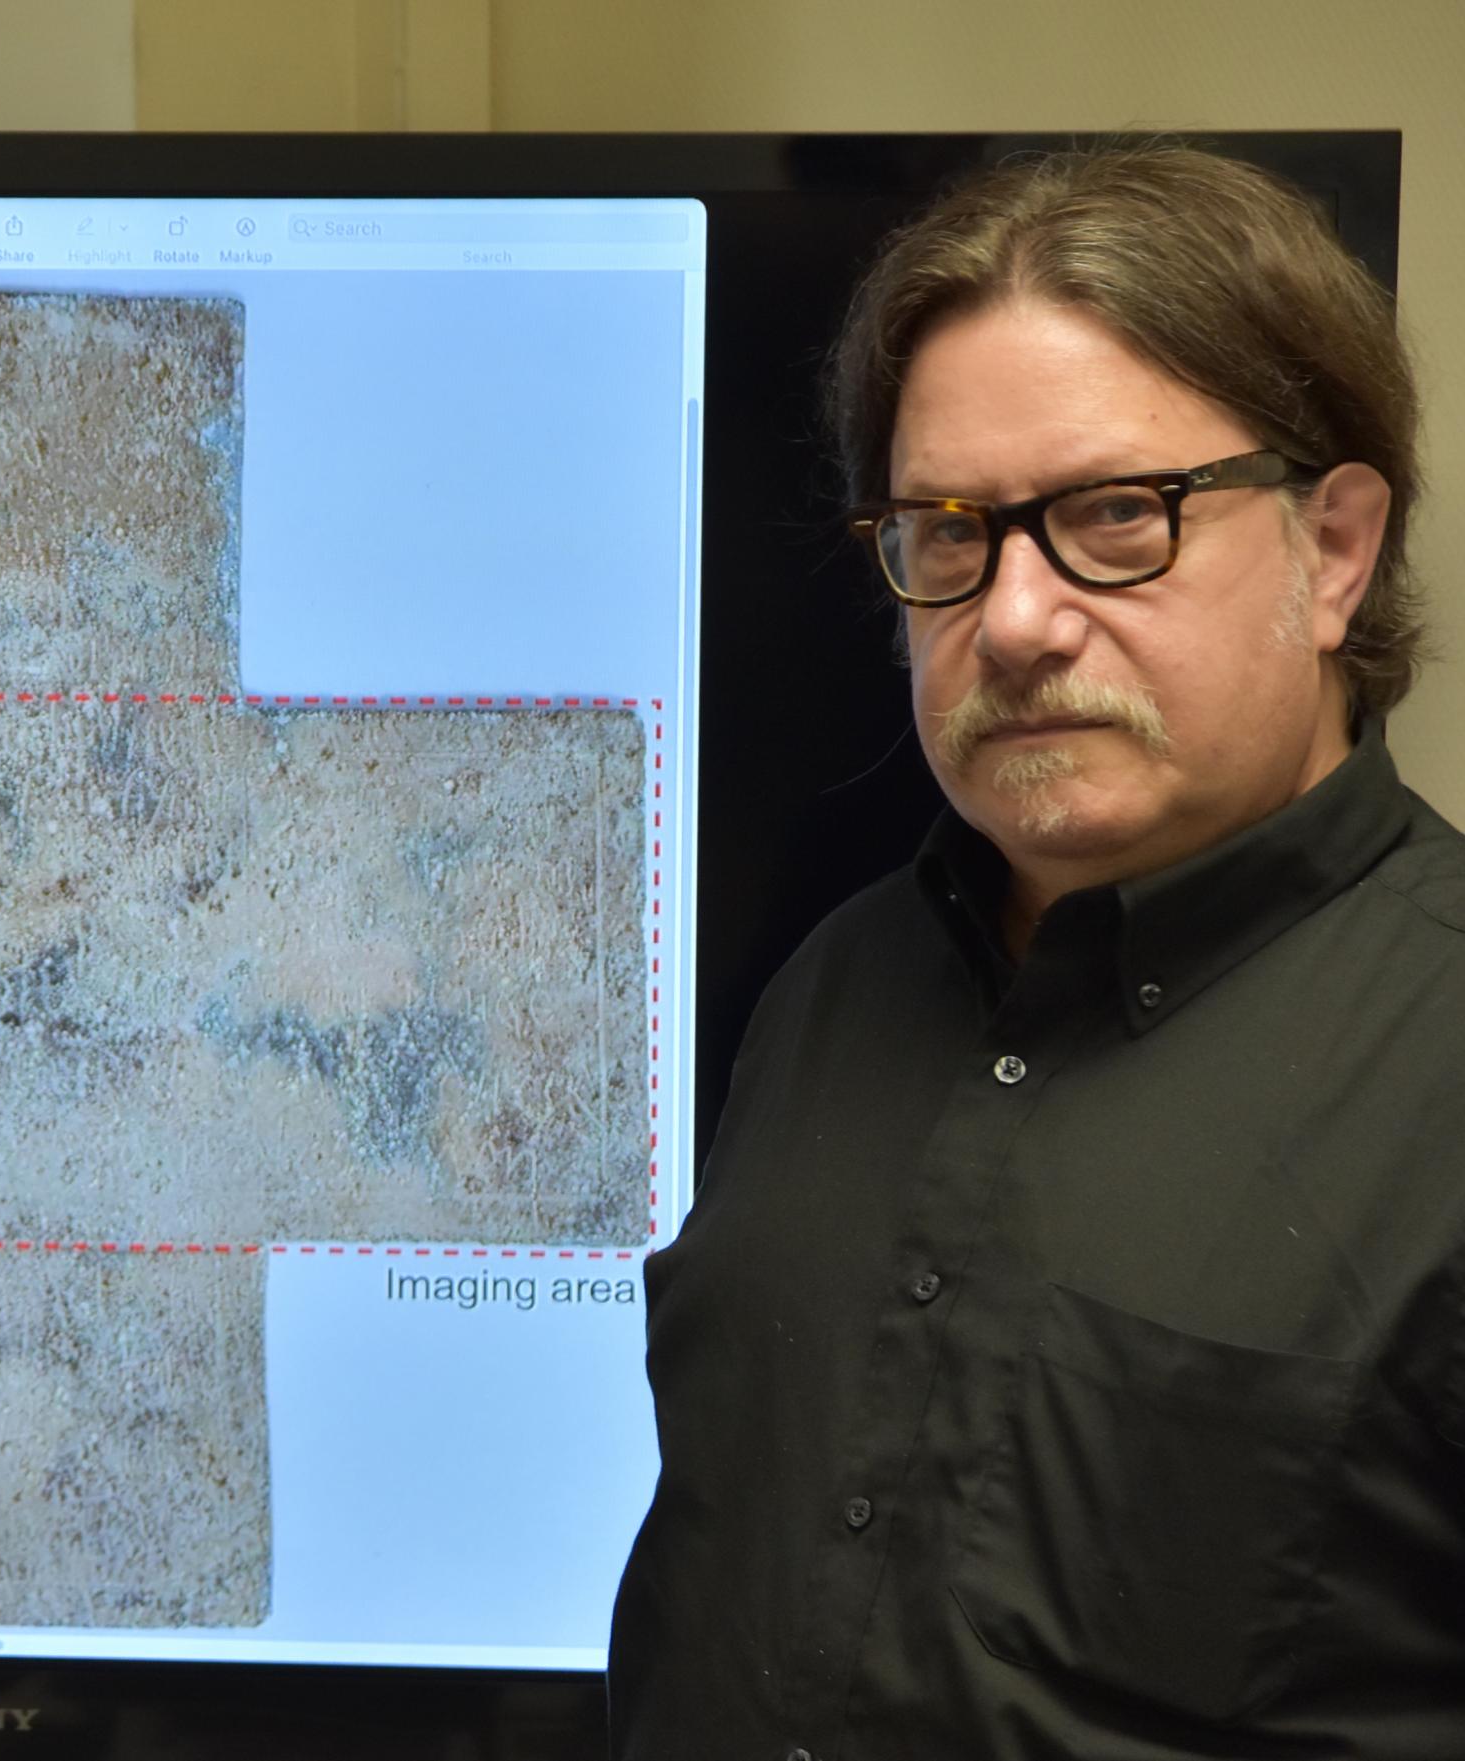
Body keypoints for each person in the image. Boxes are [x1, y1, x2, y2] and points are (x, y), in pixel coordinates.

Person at [609, 142, 1465, 1756]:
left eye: (1115, 516)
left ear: (1335, 548)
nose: (1012, 618)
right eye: (949, 532)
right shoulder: (826, 993)